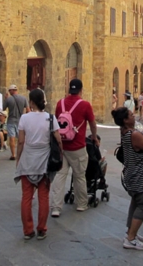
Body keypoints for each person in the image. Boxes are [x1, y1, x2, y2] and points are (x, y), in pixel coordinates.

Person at [14, 89, 63, 240]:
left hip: (28, 160)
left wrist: (18, 158)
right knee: (44, 196)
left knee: (26, 197)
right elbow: (58, 139)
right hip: (44, 161)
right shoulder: (50, 118)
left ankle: (28, 230)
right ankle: (42, 229)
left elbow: (21, 141)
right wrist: (60, 154)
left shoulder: (24, 118)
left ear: (31, 102)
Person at [50, 78, 98, 217]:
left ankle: (56, 207)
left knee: (60, 176)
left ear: (69, 89)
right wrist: (94, 136)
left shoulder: (60, 103)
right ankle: (81, 204)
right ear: (81, 90)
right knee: (79, 176)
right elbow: (92, 123)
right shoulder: (85, 105)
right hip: (77, 147)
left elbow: (57, 123)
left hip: (62, 147)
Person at [111, 106, 143, 251]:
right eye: (131, 115)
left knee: (136, 202)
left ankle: (131, 232)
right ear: (125, 120)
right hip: (141, 176)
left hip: (133, 174)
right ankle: (130, 239)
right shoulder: (134, 135)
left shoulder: (125, 132)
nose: (134, 116)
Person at [3, 84, 29, 161]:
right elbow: (28, 110)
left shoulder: (8, 99)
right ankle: (22, 153)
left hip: (11, 121)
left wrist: (5, 99)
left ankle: (13, 154)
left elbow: (3, 108)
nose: (9, 92)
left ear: (12, 91)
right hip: (20, 121)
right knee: (21, 138)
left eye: (9, 90)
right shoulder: (23, 98)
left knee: (12, 138)